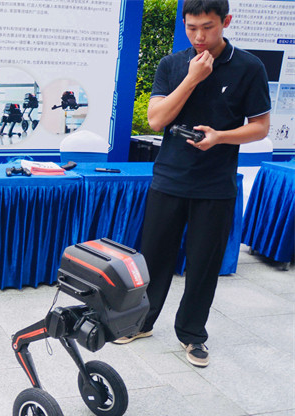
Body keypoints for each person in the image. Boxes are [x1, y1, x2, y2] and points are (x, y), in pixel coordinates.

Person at [113, 0, 270, 368]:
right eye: (191, 28)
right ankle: (141, 322)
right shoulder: (172, 64)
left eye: (208, 27)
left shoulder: (249, 67)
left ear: (226, 21)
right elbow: (156, 120)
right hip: (169, 178)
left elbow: (260, 127)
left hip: (216, 186)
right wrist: (192, 78)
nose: (199, 36)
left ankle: (193, 334)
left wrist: (220, 137)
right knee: (154, 260)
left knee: (203, 266)